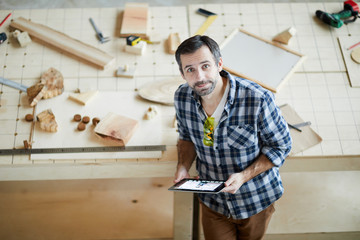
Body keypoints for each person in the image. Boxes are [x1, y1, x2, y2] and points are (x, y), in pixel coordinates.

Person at [173, 35, 292, 240]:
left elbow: (280, 146)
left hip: (254, 200)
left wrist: (243, 176)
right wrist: (183, 166)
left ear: (219, 64)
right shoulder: (182, 97)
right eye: (190, 69)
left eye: (205, 66)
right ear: (182, 74)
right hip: (213, 201)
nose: (200, 77)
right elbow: (186, 137)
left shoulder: (257, 99)